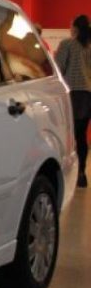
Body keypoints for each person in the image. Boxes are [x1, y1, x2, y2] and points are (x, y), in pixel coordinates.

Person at [55, 14, 91, 188]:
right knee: (81, 135)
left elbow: (58, 68)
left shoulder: (67, 44)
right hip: (88, 95)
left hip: (72, 94)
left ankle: (68, 174)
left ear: (75, 28)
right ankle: (82, 173)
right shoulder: (89, 46)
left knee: (69, 135)